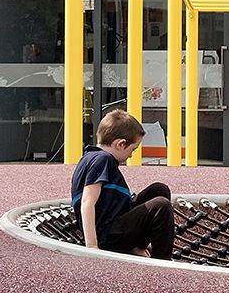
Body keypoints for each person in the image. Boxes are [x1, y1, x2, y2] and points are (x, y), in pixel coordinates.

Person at [70, 109, 175, 259]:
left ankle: (136, 247)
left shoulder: (93, 158)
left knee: (159, 190)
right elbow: (87, 202)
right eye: (132, 149)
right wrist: (92, 246)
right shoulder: (102, 160)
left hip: (116, 223)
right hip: (108, 234)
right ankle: (163, 260)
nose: (131, 155)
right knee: (161, 205)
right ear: (120, 144)